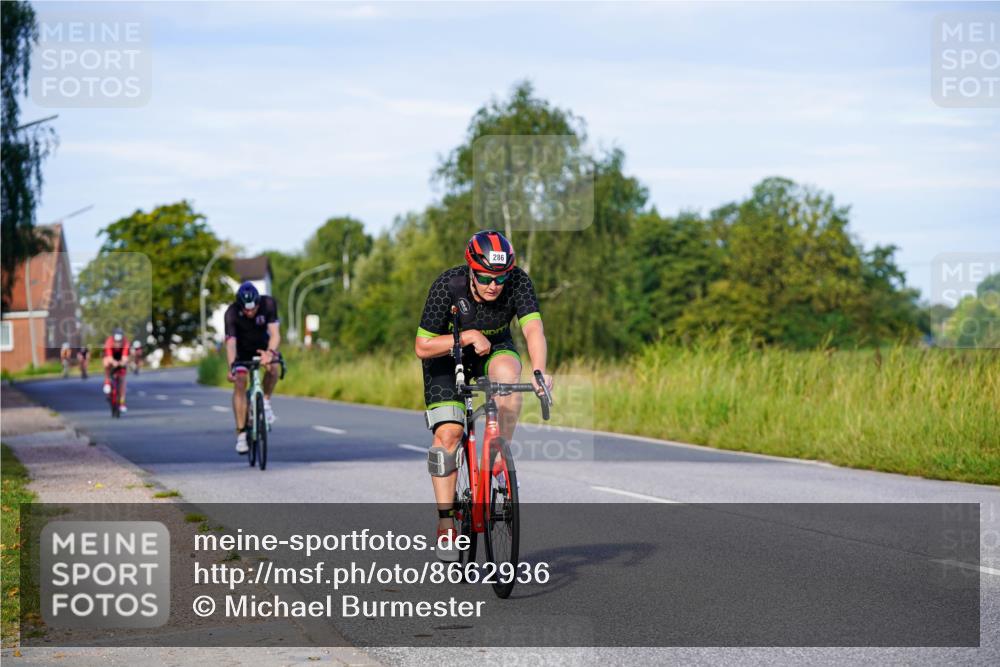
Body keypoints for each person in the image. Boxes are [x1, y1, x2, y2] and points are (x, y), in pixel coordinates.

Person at [414, 230, 551, 561]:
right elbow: (422, 346)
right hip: (447, 357)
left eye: (500, 277)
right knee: (449, 433)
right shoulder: (448, 285)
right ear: (472, 270)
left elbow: (533, 329)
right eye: (486, 277)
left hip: (494, 349)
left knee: (508, 375)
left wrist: (539, 370)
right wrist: (467, 336)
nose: (494, 284)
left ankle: (498, 456)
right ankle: (446, 520)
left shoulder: (517, 282)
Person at [224, 282, 281, 454]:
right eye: (246, 310)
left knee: (274, 366)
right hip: (242, 351)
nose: (250, 312)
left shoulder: (268, 304)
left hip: (262, 346)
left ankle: (265, 400)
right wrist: (232, 366)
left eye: (253, 309)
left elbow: (275, 334)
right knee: (240, 381)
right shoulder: (232, 313)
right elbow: (231, 344)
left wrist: (269, 353)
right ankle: (241, 434)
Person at [102, 328, 130, 413]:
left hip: (120, 357)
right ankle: (107, 382)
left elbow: (125, 357)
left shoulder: (126, 343)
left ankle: (122, 403)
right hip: (110, 356)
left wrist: (122, 363)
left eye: (119, 341)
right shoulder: (109, 342)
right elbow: (109, 357)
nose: (118, 344)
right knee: (106, 363)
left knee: (122, 380)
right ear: (113, 338)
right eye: (116, 341)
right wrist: (113, 363)